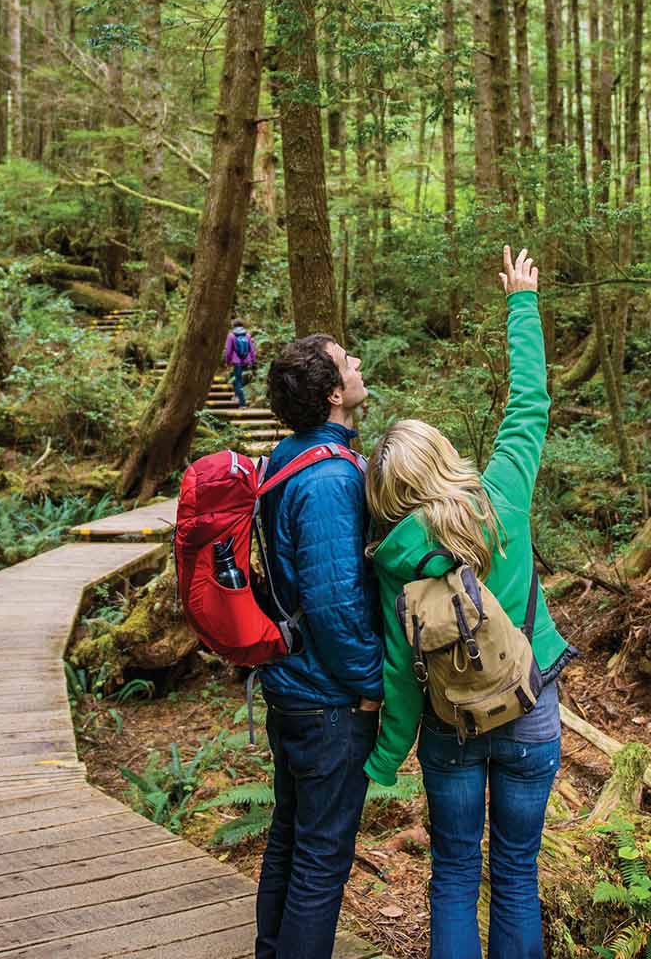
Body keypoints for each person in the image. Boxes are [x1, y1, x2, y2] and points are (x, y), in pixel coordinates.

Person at [361, 246, 575, 959]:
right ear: (445, 456)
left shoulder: (393, 564)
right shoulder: (503, 496)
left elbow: (398, 670)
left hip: (449, 727)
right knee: (516, 872)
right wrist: (522, 302)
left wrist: (386, 759)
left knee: (453, 876)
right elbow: (531, 403)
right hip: (530, 707)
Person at [252, 332, 384, 959]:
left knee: (289, 836)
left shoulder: (287, 456)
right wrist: (371, 684)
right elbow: (335, 602)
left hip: (291, 683)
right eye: (346, 361)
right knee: (321, 857)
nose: (357, 364)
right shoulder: (331, 479)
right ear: (334, 393)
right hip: (327, 699)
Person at [225, 322, 259, 407]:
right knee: (241, 380)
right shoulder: (247, 335)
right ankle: (237, 396)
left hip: (236, 361)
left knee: (238, 380)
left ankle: (242, 403)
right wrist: (253, 361)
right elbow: (252, 349)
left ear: (233, 326)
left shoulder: (231, 336)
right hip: (247, 361)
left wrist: (227, 361)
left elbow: (228, 351)